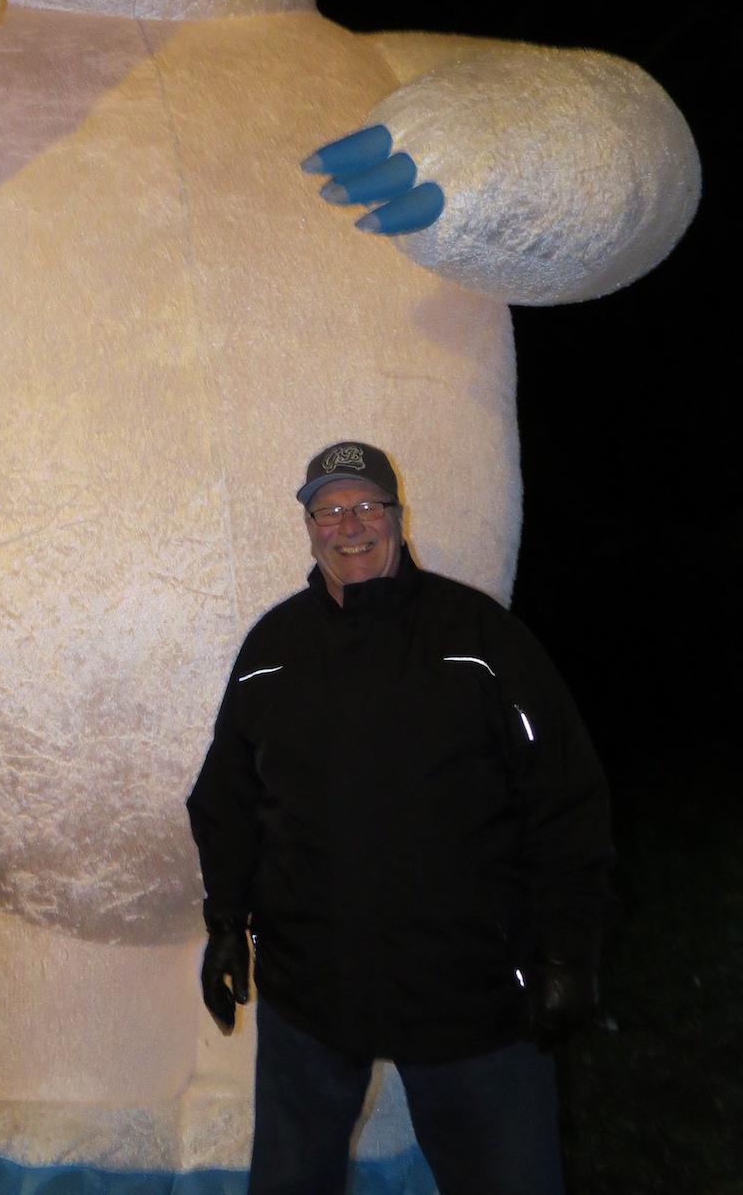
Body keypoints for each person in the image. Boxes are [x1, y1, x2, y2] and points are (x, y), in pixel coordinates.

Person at [186, 441, 612, 1195]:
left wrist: (566, 957)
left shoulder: (481, 640)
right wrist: (226, 921)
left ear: (396, 514)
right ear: (309, 528)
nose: (348, 526)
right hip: (311, 994)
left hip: (468, 996)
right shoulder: (272, 650)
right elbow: (225, 800)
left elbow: (564, 800)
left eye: (365, 506)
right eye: (328, 511)